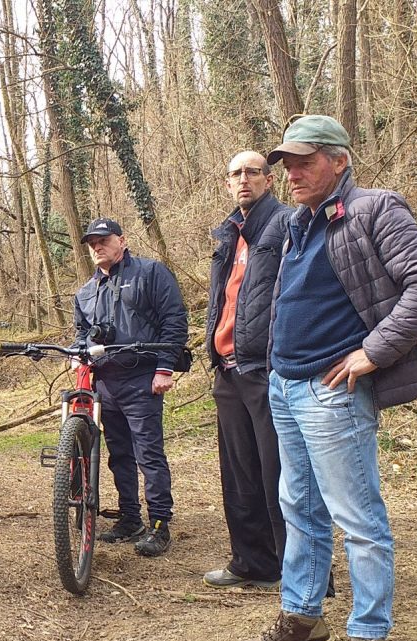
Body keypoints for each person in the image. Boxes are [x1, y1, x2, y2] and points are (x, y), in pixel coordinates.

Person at [236, 116, 417, 641]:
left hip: (332, 392)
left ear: (339, 159)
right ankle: (304, 618)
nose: (293, 172)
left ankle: (369, 640)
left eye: (304, 161)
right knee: (297, 507)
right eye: (286, 163)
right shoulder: (297, 223)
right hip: (283, 385)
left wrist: (373, 351)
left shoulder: (374, 209)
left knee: (357, 518)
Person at [202, 152, 290, 589]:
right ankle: (252, 563)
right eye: (235, 174)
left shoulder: (287, 224)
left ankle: (301, 574)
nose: (243, 180)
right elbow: (223, 299)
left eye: (252, 172)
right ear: (226, 183)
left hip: (266, 368)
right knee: (238, 472)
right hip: (228, 369)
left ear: (269, 180)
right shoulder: (227, 234)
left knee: (279, 472)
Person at [73, 218, 188, 557]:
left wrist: (165, 368)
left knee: (148, 453)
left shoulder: (151, 274)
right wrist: (80, 356)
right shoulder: (85, 292)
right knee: (118, 455)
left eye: (104, 240)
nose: (97, 247)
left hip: (143, 378)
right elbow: (81, 334)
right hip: (105, 383)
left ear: (121, 241)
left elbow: (174, 320)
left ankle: (159, 523)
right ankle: (129, 517)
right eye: (92, 242)